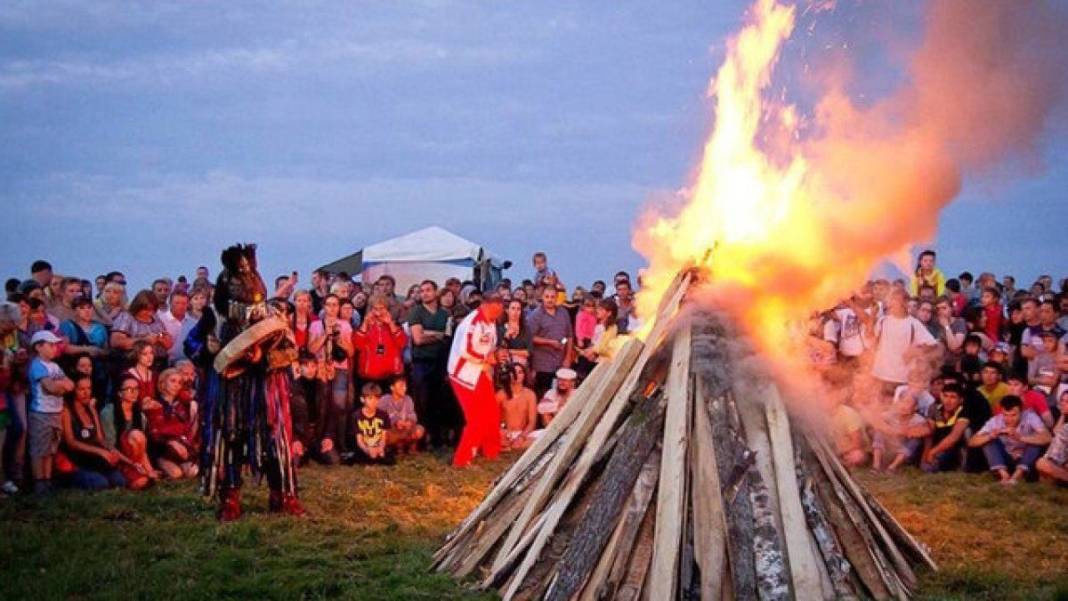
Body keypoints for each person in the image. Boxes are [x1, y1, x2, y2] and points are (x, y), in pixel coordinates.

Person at [201, 244, 305, 520]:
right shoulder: (214, 317)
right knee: (230, 438)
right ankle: (230, 496)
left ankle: (282, 492)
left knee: (274, 440)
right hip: (229, 389)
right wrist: (208, 349)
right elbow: (194, 348)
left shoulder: (274, 317)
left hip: (267, 389)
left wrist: (262, 357)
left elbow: (291, 350)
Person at [447, 293, 504, 468]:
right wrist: (487, 359)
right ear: (488, 305)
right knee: (476, 417)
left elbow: (489, 345)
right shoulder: (472, 322)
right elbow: (466, 350)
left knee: (492, 411)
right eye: (498, 309)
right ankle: (462, 459)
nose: (500, 314)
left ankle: (491, 451)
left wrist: (492, 359)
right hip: (463, 374)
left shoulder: (491, 321)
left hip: (480, 371)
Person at [58, 375, 134, 490]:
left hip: (94, 459)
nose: (86, 393)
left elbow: (100, 439)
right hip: (76, 459)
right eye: (81, 389)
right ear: (74, 390)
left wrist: (130, 462)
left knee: (120, 481)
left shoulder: (91, 408)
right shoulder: (67, 410)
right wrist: (100, 451)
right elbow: (71, 442)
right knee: (100, 484)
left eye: (89, 388)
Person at [868, 288, 940, 397]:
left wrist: (916, 352)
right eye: (892, 300)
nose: (892, 303)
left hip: (900, 378)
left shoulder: (914, 324)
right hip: (878, 375)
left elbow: (933, 345)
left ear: (905, 303)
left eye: (897, 300)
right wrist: (872, 316)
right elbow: (871, 338)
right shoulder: (883, 320)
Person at [27, 330, 75, 494]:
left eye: (55, 345)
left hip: (55, 412)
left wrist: (60, 385)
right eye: (51, 345)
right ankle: (39, 481)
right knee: (39, 449)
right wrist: (60, 385)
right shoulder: (37, 365)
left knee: (50, 448)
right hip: (41, 413)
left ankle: (47, 479)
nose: (55, 348)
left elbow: (70, 384)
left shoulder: (55, 366)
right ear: (39, 347)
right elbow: (51, 388)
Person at [308, 293, 354, 463]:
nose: (332, 308)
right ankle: (320, 442)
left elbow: (350, 352)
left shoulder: (345, 325)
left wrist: (339, 339)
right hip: (321, 368)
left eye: (335, 305)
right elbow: (311, 350)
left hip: (340, 368)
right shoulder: (315, 325)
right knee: (322, 405)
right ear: (324, 306)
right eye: (329, 304)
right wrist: (325, 334)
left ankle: (339, 444)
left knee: (339, 406)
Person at [405, 280, 450, 446]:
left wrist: (428, 333)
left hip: (439, 361)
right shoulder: (416, 312)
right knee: (421, 401)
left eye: (428, 290)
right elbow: (418, 339)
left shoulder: (445, 314)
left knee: (437, 400)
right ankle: (421, 439)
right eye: (422, 291)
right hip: (421, 362)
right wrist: (436, 335)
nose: (424, 293)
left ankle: (437, 438)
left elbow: (446, 338)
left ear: (436, 292)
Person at [968, 395, 1051, 485]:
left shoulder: (1030, 416)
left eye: (1013, 415)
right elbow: (972, 441)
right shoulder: (996, 420)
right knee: (988, 440)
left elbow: (1047, 437)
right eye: (1005, 415)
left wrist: (1021, 438)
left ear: (1021, 411)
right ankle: (1004, 475)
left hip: (1026, 459)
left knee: (1036, 440)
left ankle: (1017, 476)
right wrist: (991, 436)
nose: (1009, 419)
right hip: (1006, 459)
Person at [143, 368, 198, 480]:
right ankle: (158, 465)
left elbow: (186, 429)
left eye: (179, 383)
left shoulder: (181, 405)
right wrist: (170, 441)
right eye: (172, 381)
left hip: (181, 447)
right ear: (163, 383)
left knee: (193, 471)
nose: (176, 385)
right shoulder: (155, 404)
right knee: (176, 474)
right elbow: (154, 434)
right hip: (162, 449)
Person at [528, 287, 575, 400]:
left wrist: (568, 357)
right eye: (547, 297)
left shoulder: (563, 312)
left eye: (552, 297)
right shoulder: (536, 315)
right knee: (544, 398)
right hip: (543, 365)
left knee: (561, 397)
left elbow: (569, 336)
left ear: (557, 298)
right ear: (542, 297)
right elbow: (529, 338)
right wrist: (549, 342)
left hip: (561, 362)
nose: (549, 300)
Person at [352, 295, 408, 387]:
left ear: (387, 309)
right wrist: (365, 324)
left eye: (382, 308)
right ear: (371, 310)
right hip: (369, 375)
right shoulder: (364, 326)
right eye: (375, 308)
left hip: (391, 374)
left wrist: (390, 324)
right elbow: (358, 345)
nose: (378, 312)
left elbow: (402, 343)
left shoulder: (395, 326)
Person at [110, 290, 172, 368]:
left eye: (152, 310)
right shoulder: (126, 317)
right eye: (146, 310)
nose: (150, 313)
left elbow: (168, 344)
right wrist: (144, 340)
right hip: (133, 364)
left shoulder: (156, 319)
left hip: (159, 363)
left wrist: (163, 339)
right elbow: (116, 342)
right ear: (138, 306)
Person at [870, 395, 931, 473]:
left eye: (908, 403)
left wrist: (911, 432)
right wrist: (896, 431)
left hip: (905, 452)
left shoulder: (918, 420)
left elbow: (927, 431)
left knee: (915, 441)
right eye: (902, 402)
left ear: (915, 407)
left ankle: (892, 467)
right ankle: (876, 466)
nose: (904, 406)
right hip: (889, 447)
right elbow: (876, 422)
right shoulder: (890, 414)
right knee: (879, 433)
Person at [922, 383, 971, 472]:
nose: (948, 401)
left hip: (955, 448)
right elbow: (929, 434)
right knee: (926, 467)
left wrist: (932, 452)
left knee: (968, 431)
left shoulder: (964, 411)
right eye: (945, 396)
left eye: (953, 397)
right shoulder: (936, 409)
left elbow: (954, 437)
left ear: (960, 400)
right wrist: (926, 455)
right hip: (938, 447)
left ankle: (963, 464)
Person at [350, 382, 395, 465]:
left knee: (387, 457)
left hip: (378, 445)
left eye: (377, 398)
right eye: (370, 398)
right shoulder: (356, 416)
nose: (374, 402)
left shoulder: (383, 415)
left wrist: (380, 448)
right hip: (364, 447)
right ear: (362, 399)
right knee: (362, 457)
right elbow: (359, 440)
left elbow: (383, 437)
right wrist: (367, 450)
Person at [498, 363, 538, 450]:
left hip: (523, 434)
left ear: (524, 375)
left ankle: (512, 445)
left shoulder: (530, 394)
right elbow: (492, 418)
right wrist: (502, 431)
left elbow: (532, 422)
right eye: (513, 372)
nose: (517, 375)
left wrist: (521, 437)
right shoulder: (501, 394)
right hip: (505, 433)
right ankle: (507, 444)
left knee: (544, 435)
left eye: (520, 372)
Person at [380, 376, 424, 454]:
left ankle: (408, 446)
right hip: (392, 431)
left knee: (419, 430)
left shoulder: (408, 399)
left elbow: (412, 414)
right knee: (383, 434)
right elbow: (379, 416)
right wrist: (395, 421)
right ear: (392, 387)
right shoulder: (385, 399)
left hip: (405, 430)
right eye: (401, 385)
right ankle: (392, 447)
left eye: (405, 386)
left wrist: (409, 422)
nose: (404, 388)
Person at [1036, 390, 1068, 485]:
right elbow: (1056, 433)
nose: (1063, 403)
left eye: (1067, 402)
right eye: (1062, 400)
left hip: (1062, 461)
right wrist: (1063, 415)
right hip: (1059, 461)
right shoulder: (1059, 416)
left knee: (1042, 464)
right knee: (1043, 468)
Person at [159, 290, 196, 365]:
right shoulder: (160, 320)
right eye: (177, 303)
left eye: (184, 303)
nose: (181, 306)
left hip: (188, 364)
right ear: (170, 303)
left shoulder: (193, 323)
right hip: (165, 364)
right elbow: (158, 337)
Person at [498, 298, 532, 367]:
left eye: (518, 309)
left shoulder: (526, 329)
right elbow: (499, 350)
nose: (515, 312)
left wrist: (510, 351)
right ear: (507, 310)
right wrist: (506, 336)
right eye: (513, 308)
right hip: (505, 366)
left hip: (522, 367)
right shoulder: (501, 329)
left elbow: (529, 352)